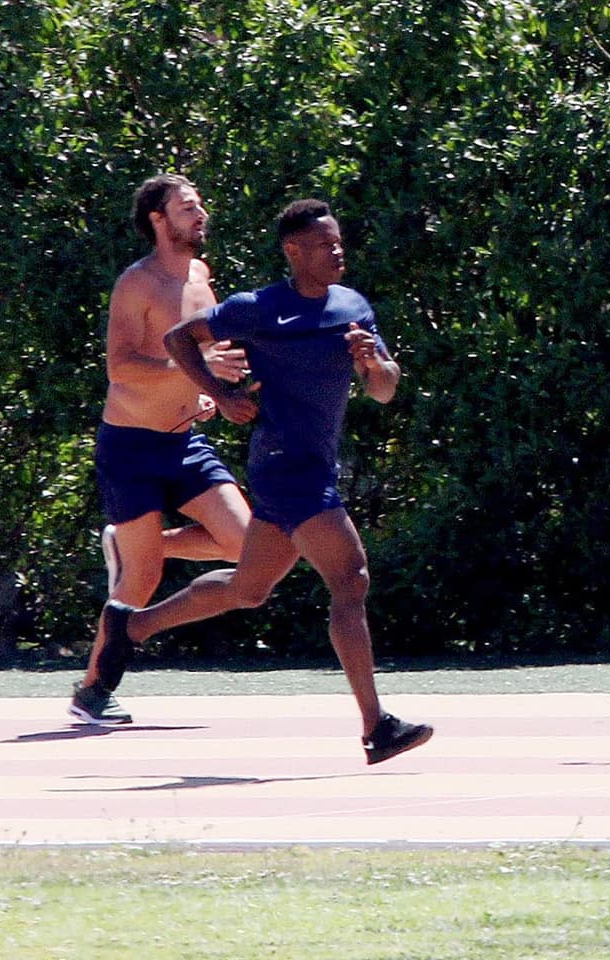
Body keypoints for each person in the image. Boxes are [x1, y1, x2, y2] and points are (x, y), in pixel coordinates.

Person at [95, 199, 433, 765]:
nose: (337, 251)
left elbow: (385, 388)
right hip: (284, 466)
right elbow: (181, 336)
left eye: (339, 241)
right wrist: (221, 395)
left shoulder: (352, 306)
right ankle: (377, 727)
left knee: (247, 590)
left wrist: (373, 364)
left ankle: (133, 627)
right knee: (350, 579)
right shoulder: (259, 308)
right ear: (293, 252)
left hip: (314, 465)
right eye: (325, 244)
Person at [68, 174, 252, 726]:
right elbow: (121, 368)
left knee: (248, 547)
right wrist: (193, 371)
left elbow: (213, 353)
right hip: (130, 446)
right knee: (141, 579)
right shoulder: (137, 284)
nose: (200, 215)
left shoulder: (201, 276)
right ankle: (93, 691)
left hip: (186, 442)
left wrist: (215, 389)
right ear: (158, 219)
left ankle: (140, 546)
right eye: (187, 208)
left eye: (200, 206)